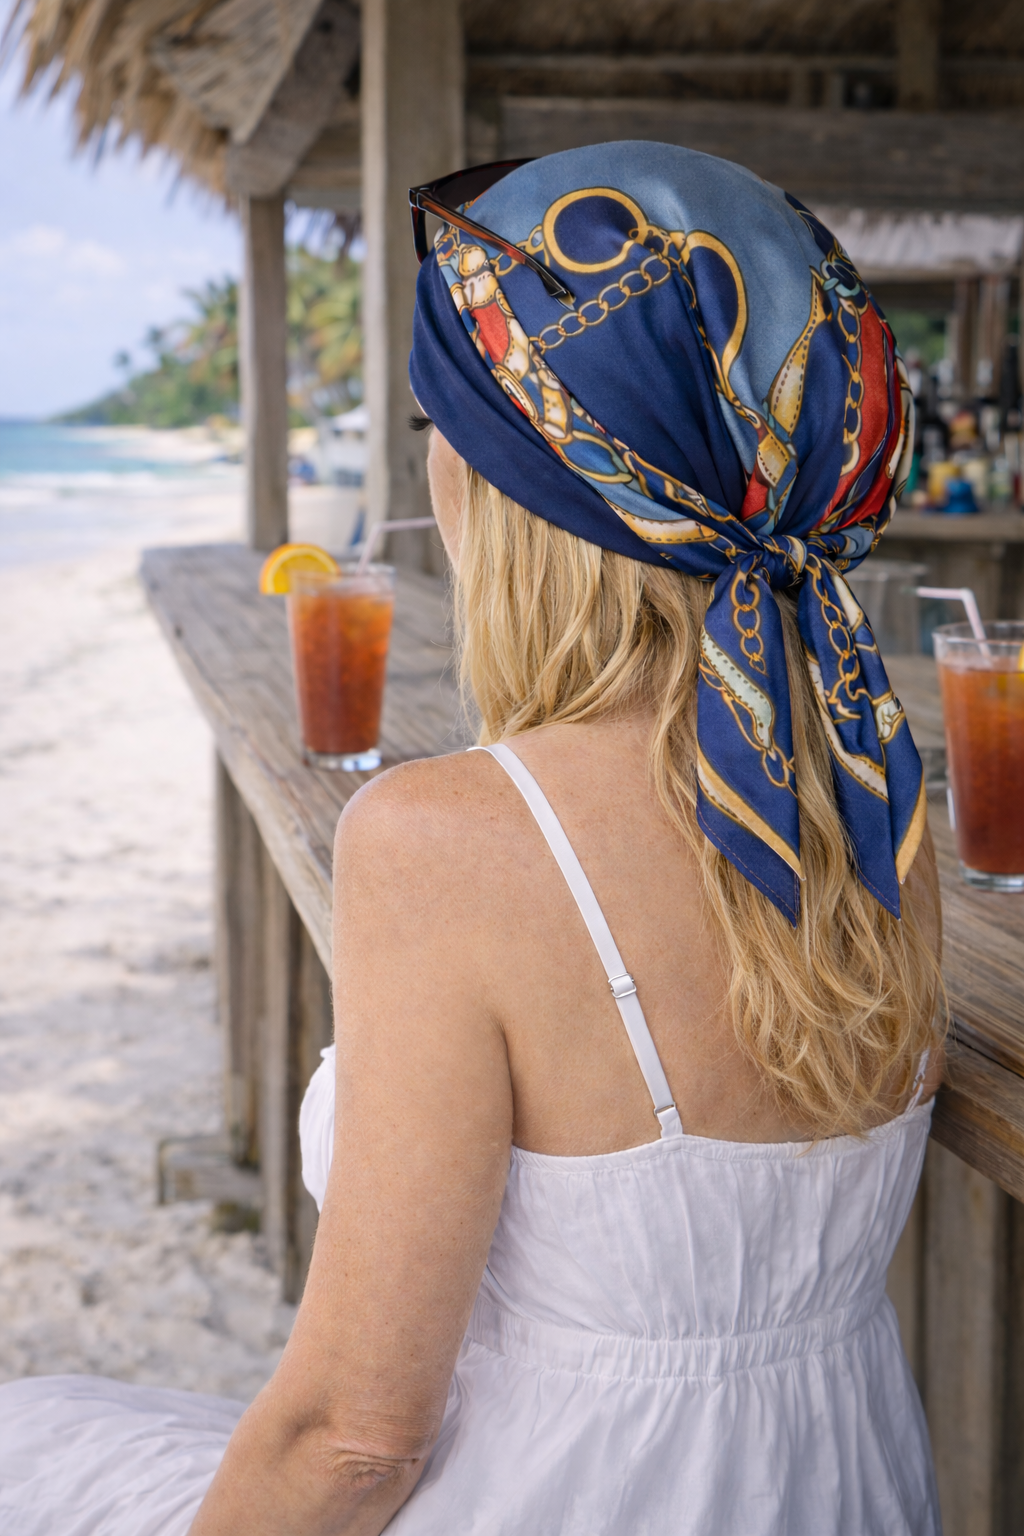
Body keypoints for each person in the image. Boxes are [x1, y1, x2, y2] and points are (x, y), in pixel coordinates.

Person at [0, 142, 945, 1536]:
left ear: (527, 486)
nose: (434, 461)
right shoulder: (874, 797)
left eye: (447, 421)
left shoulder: (443, 844)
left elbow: (351, 1442)